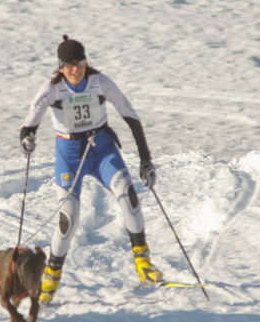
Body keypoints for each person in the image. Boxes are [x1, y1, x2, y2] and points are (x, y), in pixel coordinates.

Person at [19, 35, 163, 305]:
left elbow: (131, 116)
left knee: (129, 196)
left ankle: (143, 263)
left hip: (102, 150)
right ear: (61, 66)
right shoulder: (51, 89)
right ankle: (51, 274)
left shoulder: (100, 82)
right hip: (69, 156)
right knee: (68, 219)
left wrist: (145, 160)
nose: (76, 69)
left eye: (80, 62)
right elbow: (28, 125)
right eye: (70, 65)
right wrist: (27, 140)